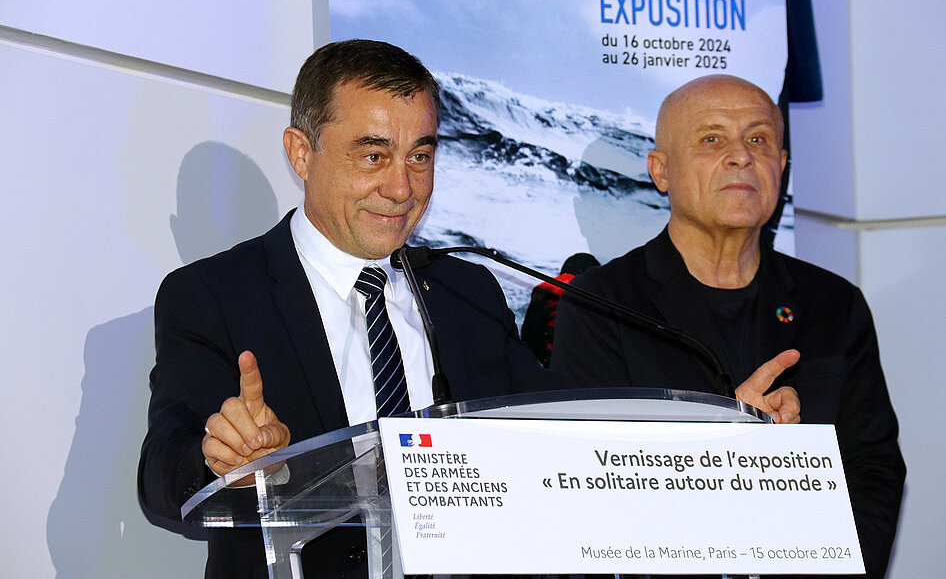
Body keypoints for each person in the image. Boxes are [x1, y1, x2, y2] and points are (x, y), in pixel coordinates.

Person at [137, 39, 544, 579]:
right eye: (373, 155)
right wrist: (223, 458)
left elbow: (542, 443)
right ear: (301, 153)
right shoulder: (214, 294)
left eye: (419, 157)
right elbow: (162, 473)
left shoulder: (469, 292)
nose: (402, 188)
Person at [551, 74, 905, 579]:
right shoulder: (602, 304)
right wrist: (726, 450)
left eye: (759, 139)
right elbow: (586, 491)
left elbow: (873, 471)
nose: (741, 156)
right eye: (712, 139)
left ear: (780, 167)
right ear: (661, 170)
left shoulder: (834, 304)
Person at [521, 252, 600, 366]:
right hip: (588, 364)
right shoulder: (598, 292)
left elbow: (529, 335)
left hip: (553, 362)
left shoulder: (546, 288)